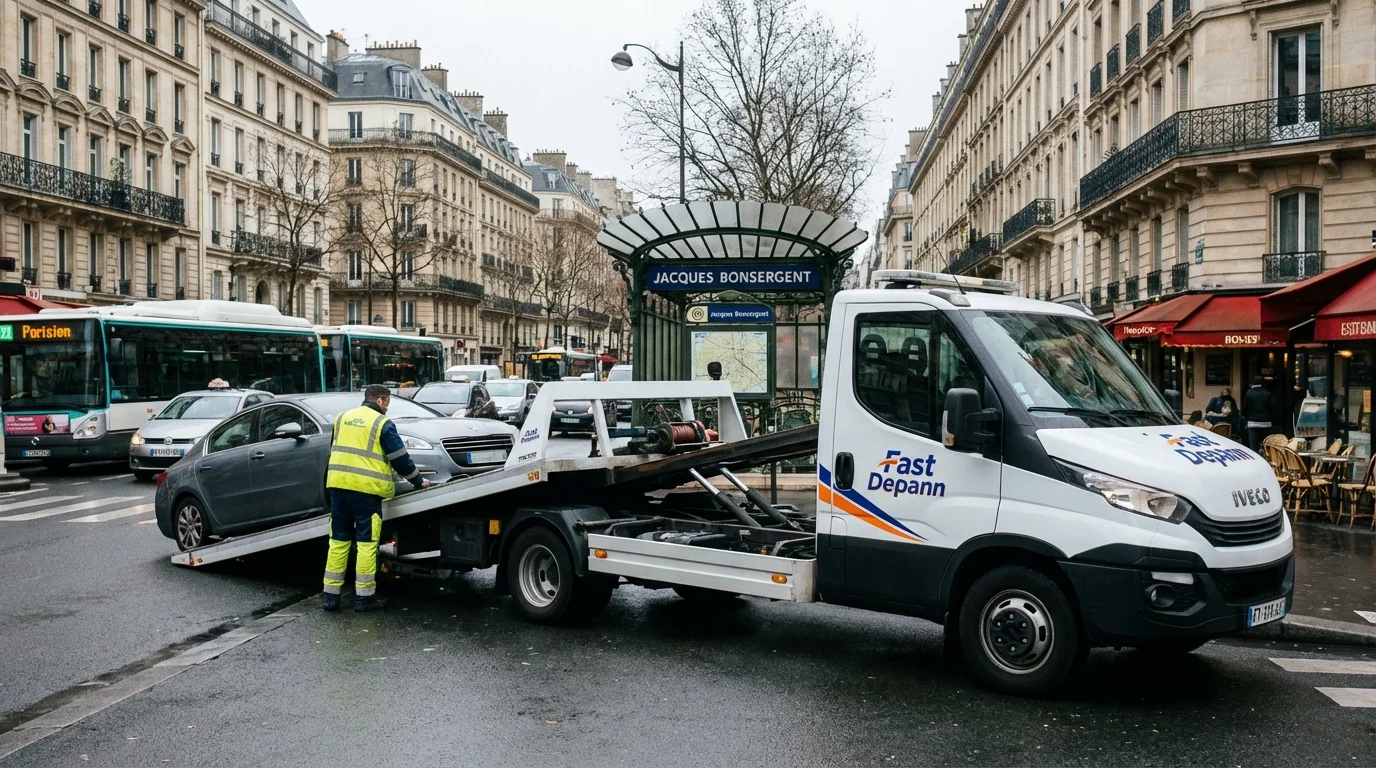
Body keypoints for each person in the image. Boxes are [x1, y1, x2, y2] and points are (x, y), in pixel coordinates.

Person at [322, 384, 429, 612]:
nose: (387, 407)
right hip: (366, 492)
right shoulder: (381, 423)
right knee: (366, 544)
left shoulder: (342, 418)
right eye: (387, 402)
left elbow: (333, 452)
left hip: (338, 488)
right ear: (380, 400)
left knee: (338, 542)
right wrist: (419, 482)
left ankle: (330, 597)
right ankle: (364, 599)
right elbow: (400, 459)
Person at [1241, 376, 1276, 452]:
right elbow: (1273, 408)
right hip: (1266, 423)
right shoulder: (1268, 394)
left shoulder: (1248, 393)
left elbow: (1245, 408)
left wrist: (1247, 420)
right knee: (1266, 446)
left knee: (1254, 448)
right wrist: (1270, 418)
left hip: (1252, 423)